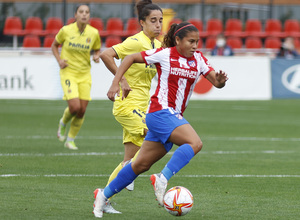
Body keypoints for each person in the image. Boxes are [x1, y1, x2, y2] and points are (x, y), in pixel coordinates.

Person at [93, 22, 228, 218]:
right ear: (178, 40)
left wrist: (221, 81)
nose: (195, 45)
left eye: (197, 41)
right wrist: (116, 83)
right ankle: (162, 178)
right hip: (160, 112)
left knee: (139, 165)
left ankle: (102, 196)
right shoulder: (165, 55)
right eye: (191, 41)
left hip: (172, 116)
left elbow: (216, 81)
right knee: (195, 143)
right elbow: (130, 57)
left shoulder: (198, 59)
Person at [98, 0, 163, 213]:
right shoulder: (136, 42)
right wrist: (120, 80)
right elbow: (106, 54)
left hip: (142, 106)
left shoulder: (158, 46)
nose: (158, 25)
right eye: (153, 21)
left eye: (160, 21)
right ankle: (130, 174)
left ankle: (103, 197)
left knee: (130, 159)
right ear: (142, 22)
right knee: (152, 137)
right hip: (127, 105)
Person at [52, 4, 101, 150]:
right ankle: (63, 122)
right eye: (81, 12)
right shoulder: (66, 31)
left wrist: (97, 56)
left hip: (85, 74)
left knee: (82, 110)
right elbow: (54, 46)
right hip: (69, 72)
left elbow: (97, 49)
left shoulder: (94, 33)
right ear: (76, 15)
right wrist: (60, 60)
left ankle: (70, 139)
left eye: (87, 12)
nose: (84, 14)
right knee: (74, 107)